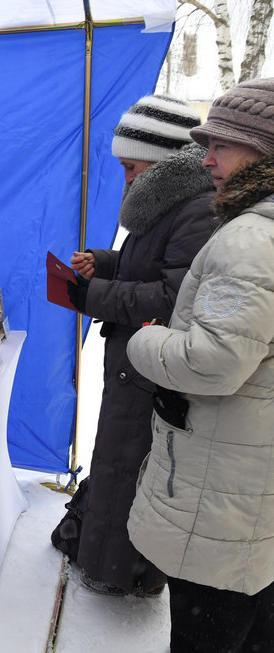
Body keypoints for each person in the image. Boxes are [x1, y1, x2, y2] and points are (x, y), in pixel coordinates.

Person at [126, 78, 274, 652]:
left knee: (206, 630)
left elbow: (214, 363)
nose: (205, 158)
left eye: (222, 145)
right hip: (250, 479)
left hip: (223, 488)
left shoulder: (249, 241)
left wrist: (148, 342)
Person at [50, 95, 216, 597]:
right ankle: (104, 563)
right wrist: (104, 262)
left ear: (163, 161)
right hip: (135, 361)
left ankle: (122, 574)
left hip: (151, 366)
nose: (125, 177)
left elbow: (173, 297)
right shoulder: (167, 202)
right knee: (118, 462)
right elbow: (147, 265)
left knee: (132, 468)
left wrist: (92, 294)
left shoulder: (195, 209)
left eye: (131, 166)